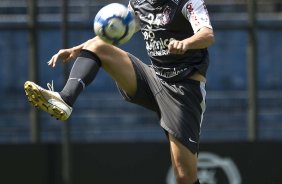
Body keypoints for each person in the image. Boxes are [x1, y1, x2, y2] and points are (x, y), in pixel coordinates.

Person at [24, 0, 214, 183]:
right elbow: (113, 30)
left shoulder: (188, 2)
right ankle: (65, 99)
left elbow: (207, 34)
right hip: (153, 79)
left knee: (184, 176)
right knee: (98, 46)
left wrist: (186, 43)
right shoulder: (140, 3)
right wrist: (77, 48)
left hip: (183, 90)